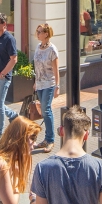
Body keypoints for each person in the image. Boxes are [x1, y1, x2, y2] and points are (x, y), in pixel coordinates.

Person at [32, 23, 60, 152]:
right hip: (40, 84)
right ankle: (46, 139)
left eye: (40, 31)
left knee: (46, 110)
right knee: (43, 111)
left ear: (46, 34)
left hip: (49, 84)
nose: (37, 34)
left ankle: (50, 140)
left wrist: (57, 86)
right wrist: (35, 82)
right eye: (37, 31)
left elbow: (56, 69)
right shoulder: (38, 47)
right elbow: (36, 66)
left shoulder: (52, 49)